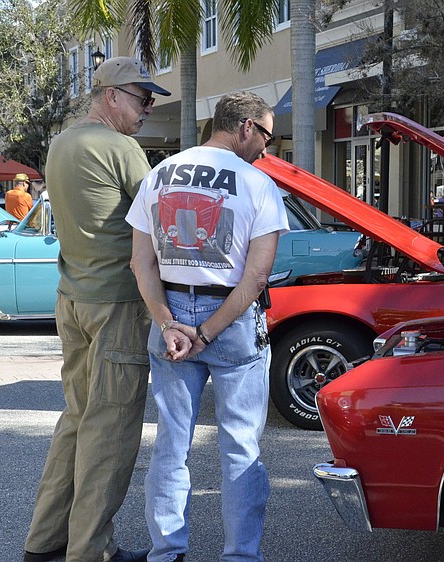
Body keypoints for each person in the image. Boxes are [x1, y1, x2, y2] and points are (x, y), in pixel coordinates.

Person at [126, 91, 287, 562]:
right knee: (239, 446)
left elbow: (141, 262)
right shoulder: (257, 185)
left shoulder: (159, 175)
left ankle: (166, 552)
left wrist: (171, 323)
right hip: (231, 320)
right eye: (265, 135)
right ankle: (239, 556)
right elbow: (256, 277)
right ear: (244, 128)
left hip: (171, 314)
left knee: (172, 443)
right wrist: (208, 331)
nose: (266, 147)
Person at [23, 57, 171, 562]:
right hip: (116, 306)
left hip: (74, 298)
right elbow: (162, 223)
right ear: (111, 95)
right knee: (109, 432)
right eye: (141, 98)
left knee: (77, 421)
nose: (147, 109)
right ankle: (90, 552)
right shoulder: (121, 147)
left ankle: (45, 543)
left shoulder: (62, 142)